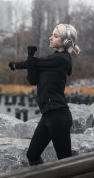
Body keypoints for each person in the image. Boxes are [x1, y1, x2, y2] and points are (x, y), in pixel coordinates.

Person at [8, 24, 81, 165]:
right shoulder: (52, 60)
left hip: (58, 115)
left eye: (55, 35)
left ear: (66, 41)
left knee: (65, 162)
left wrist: (21, 63)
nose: (51, 37)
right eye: (52, 34)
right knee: (32, 155)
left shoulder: (62, 59)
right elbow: (33, 79)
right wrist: (22, 63)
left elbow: (36, 63)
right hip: (48, 115)